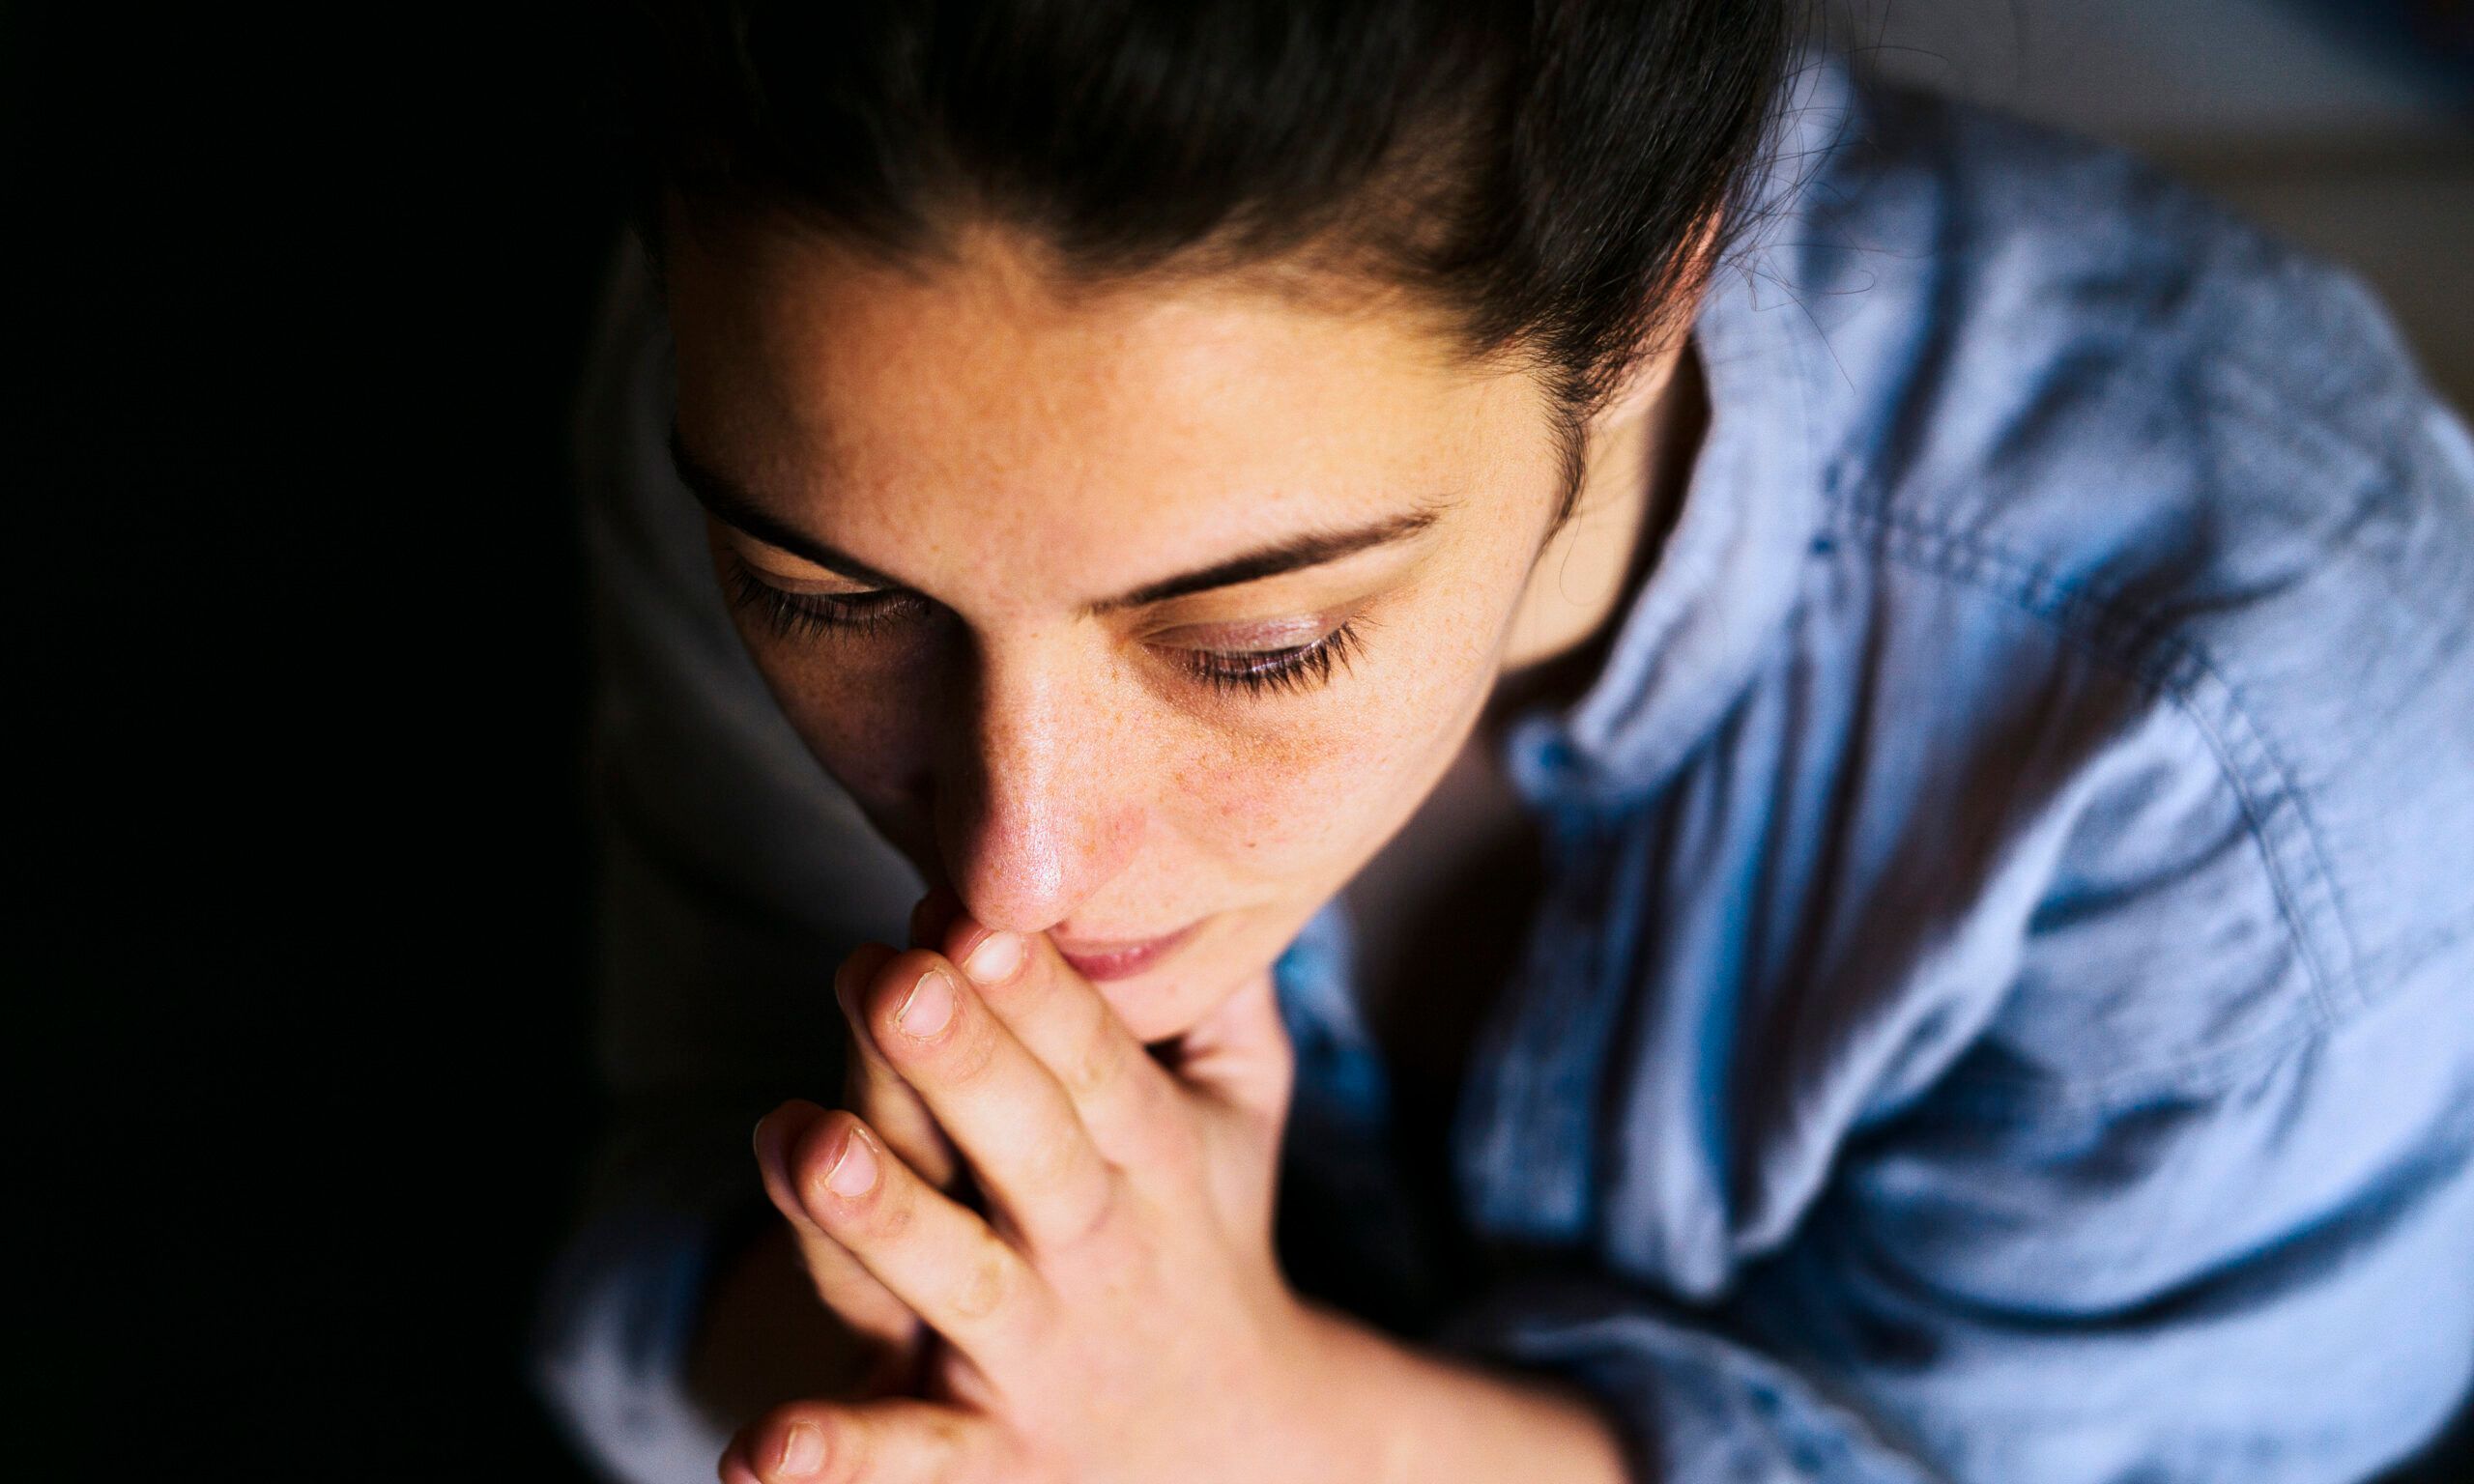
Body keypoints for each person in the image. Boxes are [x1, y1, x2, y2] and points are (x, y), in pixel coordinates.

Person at [531, 4, 2474, 1481]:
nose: (1012, 866)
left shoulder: (2247, 738)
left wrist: (1260, 1427)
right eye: (829, 602)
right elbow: (667, 1214)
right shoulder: (773, 389)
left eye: (1261, 643)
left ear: (1642, 310)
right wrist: (918, 1325)